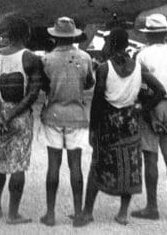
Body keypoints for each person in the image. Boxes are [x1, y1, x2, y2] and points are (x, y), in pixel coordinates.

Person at [79, 28, 165, 226]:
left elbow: (98, 102)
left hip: (109, 122)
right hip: (131, 121)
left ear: (111, 44)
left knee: (98, 164)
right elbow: (160, 90)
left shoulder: (104, 69)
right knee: (130, 165)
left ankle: (87, 212)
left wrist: (93, 129)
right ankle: (123, 213)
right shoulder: (137, 67)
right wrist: (142, 108)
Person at [0, 16, 43, 225]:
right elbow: (33, 93)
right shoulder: (29, 58)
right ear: (26, 34)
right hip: (20, 115)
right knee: (18, 164)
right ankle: (13, 214)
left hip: (0, 114)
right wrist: (13, 113)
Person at [38, 17, 95, 226]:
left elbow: (44, 86)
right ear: (74, 36)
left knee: (53, 165)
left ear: (54, 36)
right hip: (76, 115)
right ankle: (79, 214)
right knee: (75, 165)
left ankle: (50, 214)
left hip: (53, 113)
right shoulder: (85, 57)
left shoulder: (46, 60)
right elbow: (89, 84)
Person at [132, 14, 167, 221]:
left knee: (151, 158)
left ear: (148, 35)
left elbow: (140, 88)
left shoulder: (141, 56)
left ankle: (152, 207)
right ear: (166, 33)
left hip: (150, 105)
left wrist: (149, 116)